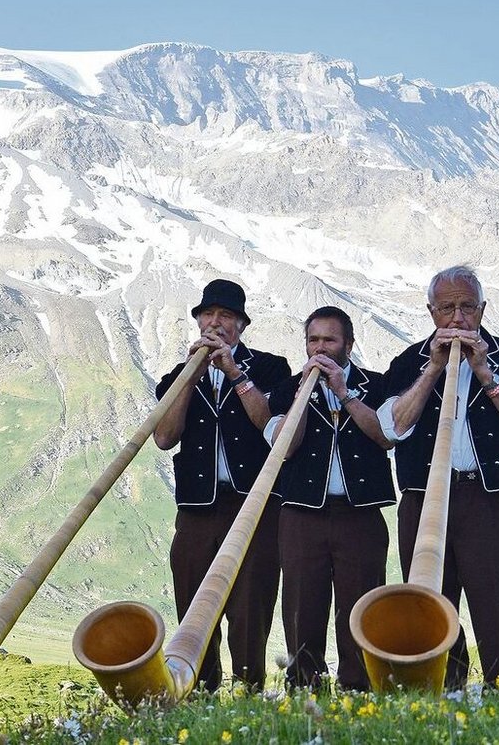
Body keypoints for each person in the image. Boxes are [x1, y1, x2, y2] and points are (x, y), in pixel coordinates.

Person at [376, 265, 499, 692]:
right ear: (431, 312)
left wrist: (487, 374)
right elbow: (392, 427)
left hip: (494, 501)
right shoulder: (408, 362)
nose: (457, 318)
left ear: (482, 310)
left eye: (467, 307)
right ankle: (442, 697)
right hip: (424, 499)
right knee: (431, 605)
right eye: (447, 308)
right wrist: (432, 369)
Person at [153, 278, 291, 689]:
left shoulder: (271, 368)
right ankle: (201, 692)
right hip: (197, 508)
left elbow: (270, 425)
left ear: (241, 326)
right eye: (208, 315)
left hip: (255, 506)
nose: (215, 323)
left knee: (250, 607)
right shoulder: (177, 377)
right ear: (198, 322)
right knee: (193, 602)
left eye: (226, 316)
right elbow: (164, 437)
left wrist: (232, 371)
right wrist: (190, 378)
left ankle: (248, 691)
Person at [266, 306, 395, 691]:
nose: (320, 348)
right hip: (302, 514)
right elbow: (284, 447)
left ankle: (360, 689)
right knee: (302, 606)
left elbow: (386, 436)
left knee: (362, 605)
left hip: (360, 514)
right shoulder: (287, 388)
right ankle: (306, 689)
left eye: (329, 340)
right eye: (313, 340)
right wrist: (303, 397)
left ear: (348, 345)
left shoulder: (376, 385)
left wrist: (344, 393)